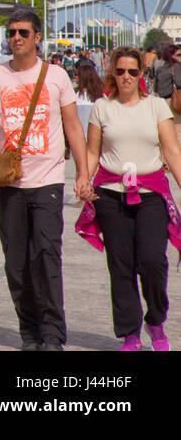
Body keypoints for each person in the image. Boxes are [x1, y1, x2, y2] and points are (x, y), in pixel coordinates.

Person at [0, 8, 92, 351]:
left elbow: (73, 126)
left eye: (23, 32)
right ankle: (30, 333)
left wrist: (82, 171)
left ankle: (52, 335)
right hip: (10, 184)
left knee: (46, 256)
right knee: (16, 262)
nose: (16, 38)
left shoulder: (56, 76)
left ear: (36, 37)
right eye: (12, 32)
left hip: (47, 181)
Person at [80, 46, 181, 350]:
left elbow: (172, 151)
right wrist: (82, 179)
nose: (126, 77)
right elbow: (92, 151)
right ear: (113, 72)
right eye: (120, 71)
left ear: (141, 75)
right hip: (110, 195)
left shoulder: (156, 107)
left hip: (150, 194)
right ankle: (130, 332)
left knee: (153, 260)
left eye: (133, 72)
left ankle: (156, 320)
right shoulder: (101, 107)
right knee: (121, 265)